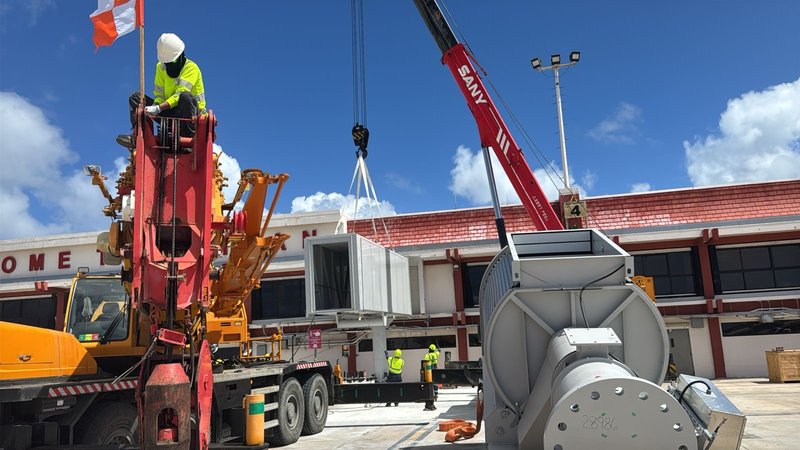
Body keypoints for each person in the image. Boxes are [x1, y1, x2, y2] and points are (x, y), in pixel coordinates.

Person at [117, 33, 207, 149]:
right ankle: (138, 137)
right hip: (169, 113)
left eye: (172, 62)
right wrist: (153, 107)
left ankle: (187, 142)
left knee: (185, 97)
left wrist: (158, 108)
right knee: (135, 98)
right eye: (167, 63)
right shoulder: (160, 67)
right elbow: (159, 94)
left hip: (190, 118)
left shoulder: (191, 68)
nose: (169, 65)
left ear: (180, 55)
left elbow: (180, 95)